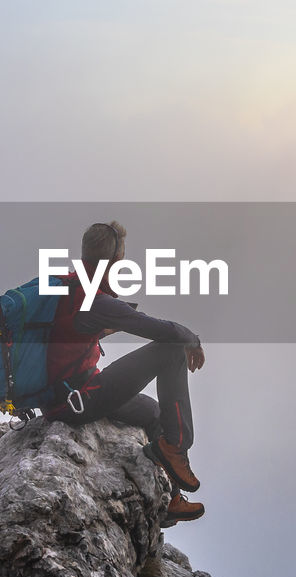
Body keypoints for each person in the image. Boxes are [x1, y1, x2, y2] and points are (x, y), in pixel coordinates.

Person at [42, 220, 206, 524]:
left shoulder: (68, 285)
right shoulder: (95, 300)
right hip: (80, 400)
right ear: (115, 261)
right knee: (171, 350)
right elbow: (158, 330)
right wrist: (191, 339)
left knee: (155, 413)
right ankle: (176, 447)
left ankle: (171, 500)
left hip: (65, 394)